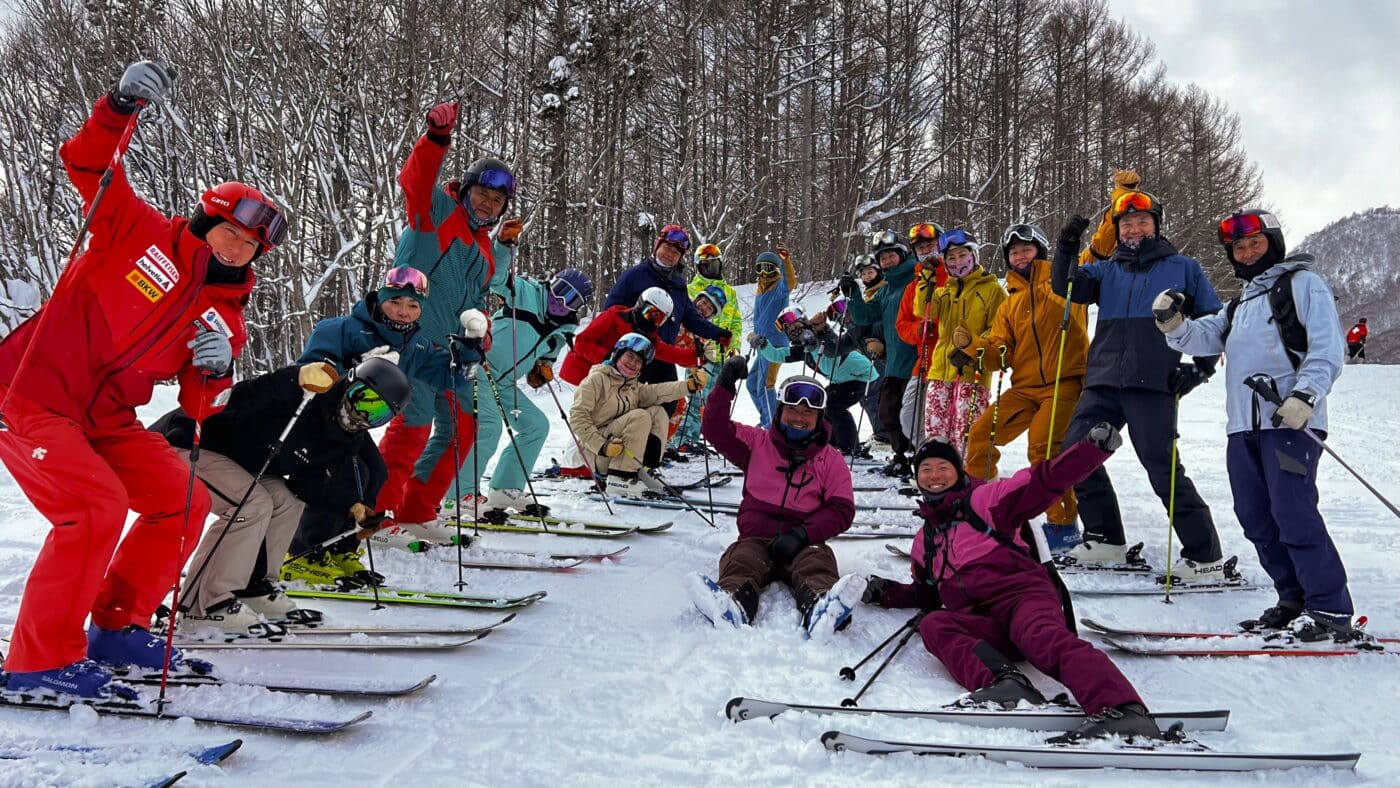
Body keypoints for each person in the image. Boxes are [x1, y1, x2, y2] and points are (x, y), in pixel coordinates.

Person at [0, 62, 285, 698]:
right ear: (207, 221)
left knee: (182, 500)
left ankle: (117, 628)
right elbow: (89, 165)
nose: (236, 249)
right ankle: (36, 664)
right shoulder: (136, 230)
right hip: (30, 392)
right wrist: (119, 106)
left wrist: (215, 367)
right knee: (91, 508)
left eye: (249, 245)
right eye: (230, 233)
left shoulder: (226, 315)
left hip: (108, 418)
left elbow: (199, 403)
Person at [862, 428, 1166, 744]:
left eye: (943, 467)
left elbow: (1042, 482)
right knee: (935, 623)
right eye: (925, 469)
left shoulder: (983, 501)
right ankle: (1005, 683)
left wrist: (1090, 450)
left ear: (958, 472)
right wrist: (887, 593)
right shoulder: (924, 542)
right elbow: (925, 594)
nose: (934, 475)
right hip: (987, 623)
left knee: (1040, 638)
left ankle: (1124, 710)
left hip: (1023, 598)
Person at [1157, 210, 1364, 642]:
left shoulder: (1304, 284)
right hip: (1243, 428)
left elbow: (1327, 348)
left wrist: (1305, 395)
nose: (1248, 252)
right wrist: (1173, 324)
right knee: (1255, 517)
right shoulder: (1240, 304)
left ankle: (1329, 609)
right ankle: (1293, 599)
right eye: (1239, 247)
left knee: (1293, 513)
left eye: (1256, 243)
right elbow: (1201, 337)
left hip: (1290, 421)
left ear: (1273, 243)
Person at [153, 358, 412, 632]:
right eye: (362, 399)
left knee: (287, 503)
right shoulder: (310, 393)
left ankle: (252, 587)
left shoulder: (346, 437)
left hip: (240, 463)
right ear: (348, 384)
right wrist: (294, 378)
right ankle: (200, 606)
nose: (362, 414)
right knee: (251, 505)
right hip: (186, 442)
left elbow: (308, 487)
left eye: (378, 413)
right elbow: (238, 396)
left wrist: (352, 508)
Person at [1051, 191, 1228, 581]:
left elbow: (1214, 322)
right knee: (1075, 455)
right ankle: (1106, 539)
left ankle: (1205, 556)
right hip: (1103, 380)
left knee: (1161, 467)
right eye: (1126, 224)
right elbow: (1064, 286)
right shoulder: (1106, 270)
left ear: (1156, 225)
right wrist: (1066, 246)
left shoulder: (1183, 268)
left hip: (1152, 382)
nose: (1134, 229)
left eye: (1142, 221)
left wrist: (1200, 370)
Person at [375, 99, 509, 540]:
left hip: (451, 354)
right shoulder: (435, 212)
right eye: (482, 194)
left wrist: (480, 336)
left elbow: (478, 301)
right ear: (466, 189)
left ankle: (417, 509)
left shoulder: (487, 250)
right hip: (410, 340)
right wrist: (436, 139)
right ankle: (376, 516)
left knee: (462, 430)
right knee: (411, 428)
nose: (488, 205)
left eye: (496, 200)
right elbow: (415, 178)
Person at [295, 266, 481, 555]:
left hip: (353, 427)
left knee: (375, 475)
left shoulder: (415, 344)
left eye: (412, 305)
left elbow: (453, 377)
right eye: (394, 302)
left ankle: (344, 546)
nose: (403, 312)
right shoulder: (343, 329)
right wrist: (357, 368)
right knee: (342, 479)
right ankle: (305, 550)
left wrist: (469, 347)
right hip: (320, 422)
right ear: (380, 299)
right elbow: (309, 372)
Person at [689, 359, 862, 639]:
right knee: (741, 559)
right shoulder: (757, 443)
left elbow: (841, 509)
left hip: (804, 541)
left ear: (820, 418)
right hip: (756, 537)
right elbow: (714, 429)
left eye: (808, 412)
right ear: (780, 411)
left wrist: (802, 534)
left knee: (816, 564)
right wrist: (724, 386)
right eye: (792, 408)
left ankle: (823, 607)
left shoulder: (831, 460)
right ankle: (731, 603)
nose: (799, 417)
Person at [955, 224, 1089, 552]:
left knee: (1043, 451)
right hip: (1024, 388)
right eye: (1014, 252)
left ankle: (1063, 523)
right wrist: (972, 347)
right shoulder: (1009, 304)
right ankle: (977, 503)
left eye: (1026, 249)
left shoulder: (1064, 284)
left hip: (1063, 382)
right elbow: (1001, 354)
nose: (1020, 256)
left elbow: (1095, 252)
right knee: (980, 434)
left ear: (1040, 252)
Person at [459, 268, 593, 514]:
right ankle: (460, 493)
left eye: (572, 299)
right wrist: (503, 243)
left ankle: (505, 490)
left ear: (578, 307)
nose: (561, 302)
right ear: (551, 283)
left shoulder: (563, 331)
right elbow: (496, 276)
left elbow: (546, 360)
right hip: (480, 368)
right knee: (489, 427)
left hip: (505, 384)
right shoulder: (525, 292)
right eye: (561, 290)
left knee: (536, 426)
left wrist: (541, 371)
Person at [602, 225, 728, 411]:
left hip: (660, 355)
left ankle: (652, 440)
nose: (670, 255)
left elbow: (692, 319)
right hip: (631, 352)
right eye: (667, 248)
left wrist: (720, 334)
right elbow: (611, 311)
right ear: (657, 246)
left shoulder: (678, 285)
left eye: (676, 253)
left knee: (668, 405)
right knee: (621, 405)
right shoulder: (636, 275)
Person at [568, 334, 704, 497]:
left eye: (639, 361)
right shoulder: (597, 380)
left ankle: (643, 471)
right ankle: (621, 478)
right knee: (640, 416)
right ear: (618, 354)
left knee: (658, 412)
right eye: (630, 356)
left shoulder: (632, 387)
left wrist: (689, 386)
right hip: (598, 453)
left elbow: (659, 391)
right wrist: (602, 445)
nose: (633, 363)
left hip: (617, 451)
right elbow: (577, 416)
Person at [913, 229, 1007, 451]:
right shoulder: (944, 291)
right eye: (951, 258)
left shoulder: (992, 289)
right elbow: (922, 308)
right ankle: (939, 480)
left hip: (972, 374)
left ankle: (969, 482)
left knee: (966, 435)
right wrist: (926, 277)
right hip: (939, 372)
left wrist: (971, 347)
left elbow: (998, 329)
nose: (958, 262)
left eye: (962, 255)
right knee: (936, 435)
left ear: (973, 255)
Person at [842, 231, 918, 476]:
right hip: (894, 363)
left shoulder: (915, 280)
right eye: (882, 258)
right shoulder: (886, 290)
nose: (887, 261)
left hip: (917, 363)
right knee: (888, 412)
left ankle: (921, 459)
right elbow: (864, 315)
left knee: (912, 417)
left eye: (891, 255)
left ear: (902, 254)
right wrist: (852, 292)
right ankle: (901, 457)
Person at [755, 306, 878, 454]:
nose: (793, 332)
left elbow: (831, 356)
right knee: (822, 404)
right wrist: (763, 345)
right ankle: (834, 444)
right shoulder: (804, 350)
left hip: (864, 376)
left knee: (834, 407)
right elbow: (776, 355)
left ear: (804, 322)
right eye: (789, 331)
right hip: (843, 381)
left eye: (796, 326)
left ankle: (850, 448)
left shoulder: (823, 336)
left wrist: (819, 336)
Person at [559, 287, 698, 386]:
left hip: (605, 381)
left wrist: (699, 355)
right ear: (639, 305)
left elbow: (670, 354)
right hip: (580, 374)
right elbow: (581, 342)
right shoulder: (613, 317)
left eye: (659, 318)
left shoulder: (648, 336)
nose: (651, 320)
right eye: (649, 312)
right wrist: (609, 357)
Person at [895, 224, 948, 447]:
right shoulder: (913, 286)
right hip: (924, 362)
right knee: (910, 420)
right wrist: (918, 331)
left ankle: (948, 465)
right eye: (921, 248)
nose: (926, 251)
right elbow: (902, 325)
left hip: (949, 364)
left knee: (943, 421)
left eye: (930, 245)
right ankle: (927, 456)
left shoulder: (954, 277)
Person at [670, 285, 732, 457]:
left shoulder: (703, 331)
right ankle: (680, 439)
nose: (703, 309)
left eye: (709, 309)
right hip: (655, 358)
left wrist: (707, 357)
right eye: (703, 303)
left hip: (678, 362)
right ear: (697, 299)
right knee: (677, 399)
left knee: (700, 396)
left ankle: (688, 437)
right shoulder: (679, 311)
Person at [745, 248, 797, 428]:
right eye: (760, 268)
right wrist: (752, 335)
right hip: (762, 346)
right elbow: (760, 321)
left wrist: (786, 262)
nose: (764, 273)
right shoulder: (760, 291)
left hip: (775, 346)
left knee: (765, 385)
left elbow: (791, 283)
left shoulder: (779, 289)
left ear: (776, 269)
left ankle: (771, 426)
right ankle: (767, 419)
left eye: (768, 268)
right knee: (752, 383)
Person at [845, 255, 890, 445]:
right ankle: (881, 432)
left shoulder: (883, 292)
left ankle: (884, 435)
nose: (867, 276)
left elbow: (873, 322)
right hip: (867, 350)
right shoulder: (868, 295)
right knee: (870, 395)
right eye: (863, 273)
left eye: (870, 272)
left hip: (882, 352)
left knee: (873, 394)